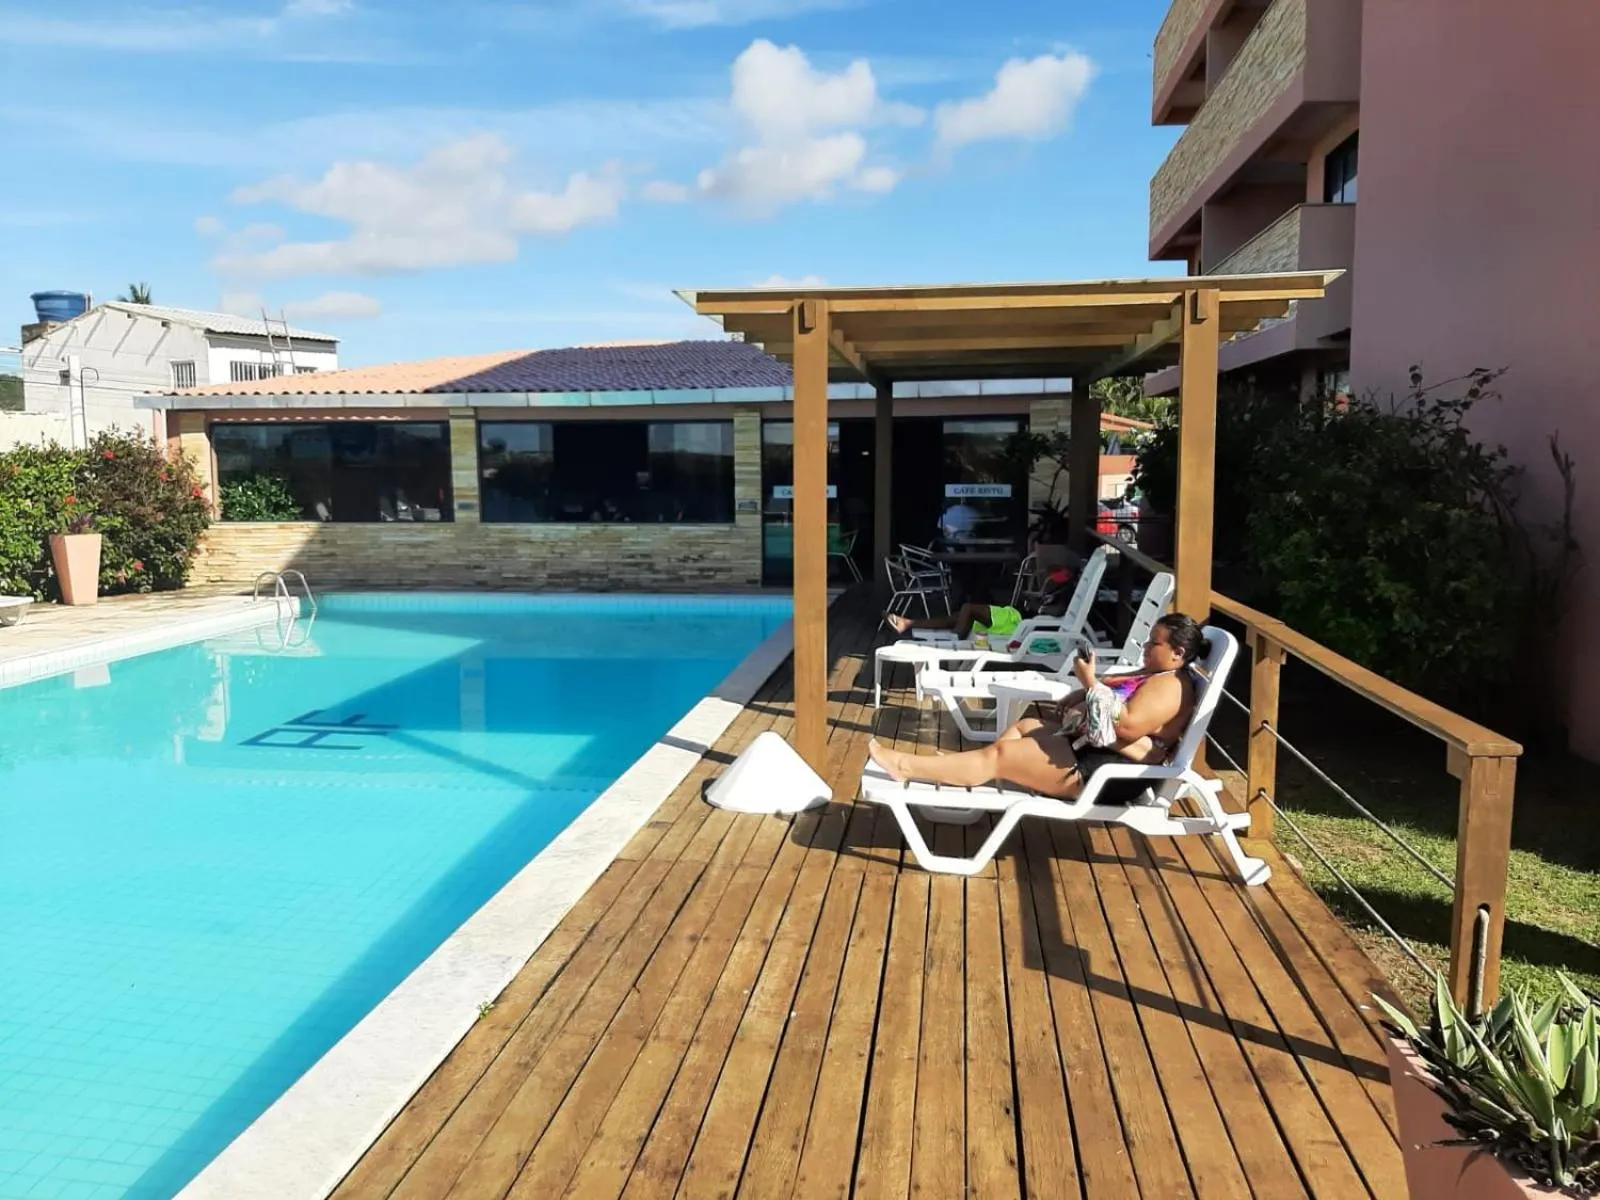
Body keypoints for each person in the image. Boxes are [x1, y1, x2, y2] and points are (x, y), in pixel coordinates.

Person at [867, 613, 1210, 801]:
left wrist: (1090, 683)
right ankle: (969, 768)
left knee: (1001, 755)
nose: (1146, 647)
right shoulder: (1157, 675)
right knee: (1025, 726)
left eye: (1154, 643)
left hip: (1102, 772)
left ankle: (906, 766)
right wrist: (1083, 693)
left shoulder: (1170, 686)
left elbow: (1128, 727)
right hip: (1093, 751)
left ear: (1178, 653)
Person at [884, 566, 1076, 640]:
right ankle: (907, 623)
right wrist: (1038, 598)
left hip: (1015, 621)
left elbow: (1058, 612)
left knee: (968, 608)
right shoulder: (1057, 591)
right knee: (956, 617)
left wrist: (1037, 606)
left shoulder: (1066, 597)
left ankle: (956, 639)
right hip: (1013, 615)